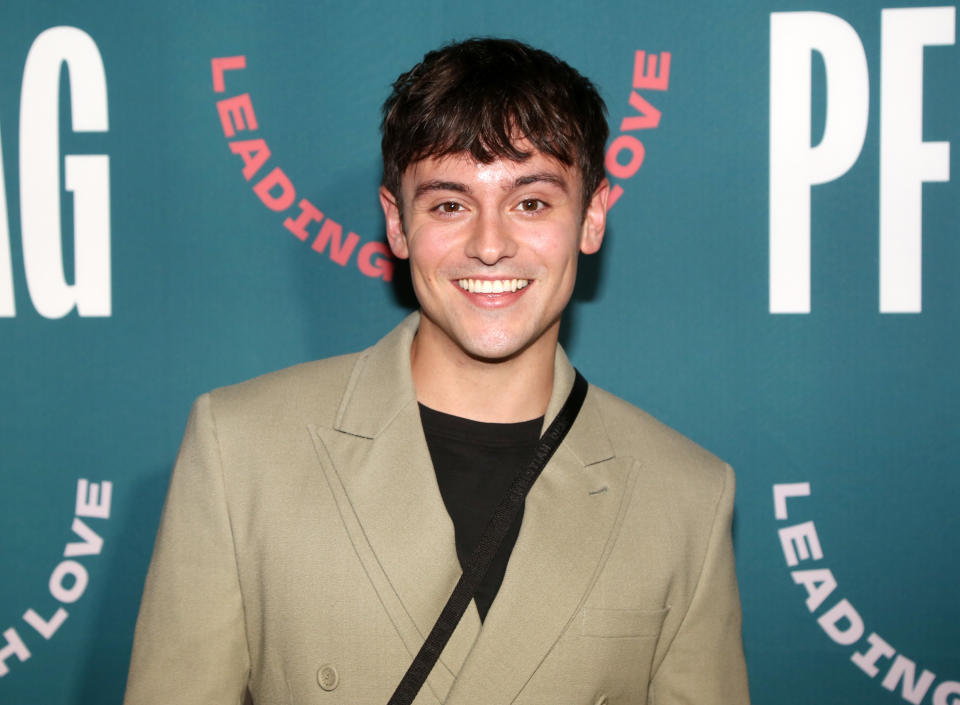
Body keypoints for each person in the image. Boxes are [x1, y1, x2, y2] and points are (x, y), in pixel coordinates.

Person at [124, 38, 750, 705]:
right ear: (397, 224)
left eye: (531, 202)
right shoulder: (240, 450)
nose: (489, 244)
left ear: (591, 216)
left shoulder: (686, 496)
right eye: (450, 204)